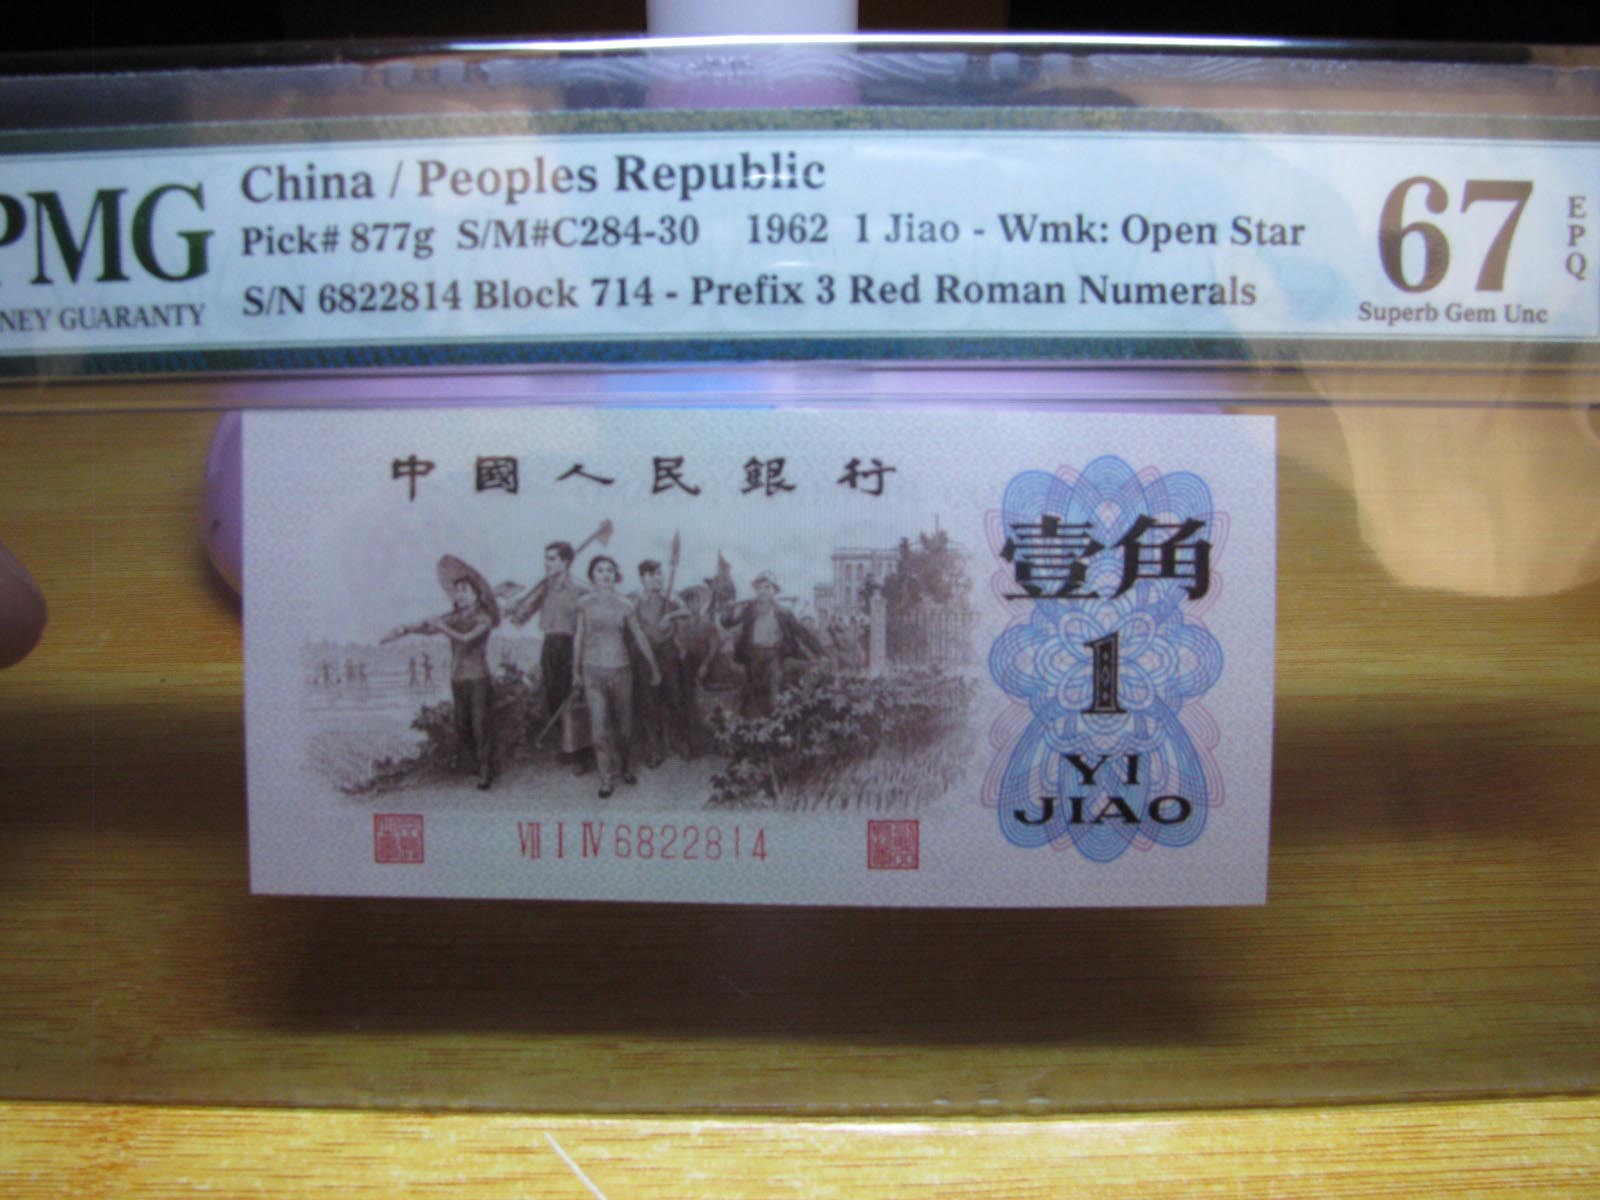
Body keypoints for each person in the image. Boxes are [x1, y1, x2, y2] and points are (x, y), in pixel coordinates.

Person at [573, 556, 659, 799]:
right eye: (600, 570)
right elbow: (579, 637)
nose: (606, 574)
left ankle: (627, 767)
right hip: (592, 671)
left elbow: (640, 637)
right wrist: (575, 671)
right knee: (599, 727)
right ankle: (606, 778)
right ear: (592, 576)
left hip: (621, 671)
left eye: (610, 570)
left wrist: (654, 667)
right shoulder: (584, 604)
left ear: (615, 575)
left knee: (625, 726)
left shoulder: (625, 604)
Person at [510, 540, 592, 774]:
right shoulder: (545, 587)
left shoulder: (580, 588)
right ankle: (566, 747)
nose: (547, 563)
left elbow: (599, 607)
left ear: (565, 562)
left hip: (571, 644)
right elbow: (519, 618)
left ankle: (581, 754)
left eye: (552, 559)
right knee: (554, 698)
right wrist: (514, 607)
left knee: (573, 698)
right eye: (546, 558)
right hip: (549, 645)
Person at [418, 555, 500, 790]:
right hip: (458, 679)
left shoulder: (484, 619)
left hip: (478, 679)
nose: (460, 595)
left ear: (476, 595)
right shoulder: (453, 617)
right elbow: (427, 629)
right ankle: (474, 763)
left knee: (480, 725)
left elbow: (465, 638)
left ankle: (485, 769)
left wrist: (442, 627)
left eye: (465, 591)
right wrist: (411, 628)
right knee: (462, 725)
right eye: (457, 591)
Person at [720, 570, 823, 719]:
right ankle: (751, 725)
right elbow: (727, 623)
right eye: (759, 588)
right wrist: (728, 609)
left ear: (774, 591)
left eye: (767, 587)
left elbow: (801, 633)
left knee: (774, 693)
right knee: (752, 693)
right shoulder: (749, 609)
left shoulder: (783, 612)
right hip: (753, 656)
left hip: (774, 656)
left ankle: (774, 723)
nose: (762, 591)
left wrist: (819, 652)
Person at [632, 558, 689, 765]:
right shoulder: (636, 600)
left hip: (667, 652)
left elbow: (687, 611)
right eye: (652, 575)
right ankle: (654, 749)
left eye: (659, 574)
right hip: (644, 655)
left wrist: (670, 616)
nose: (657, 578)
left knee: (675, 697)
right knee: (648, 702)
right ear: (642, 578)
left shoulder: (670, 596)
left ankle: (678, 741)